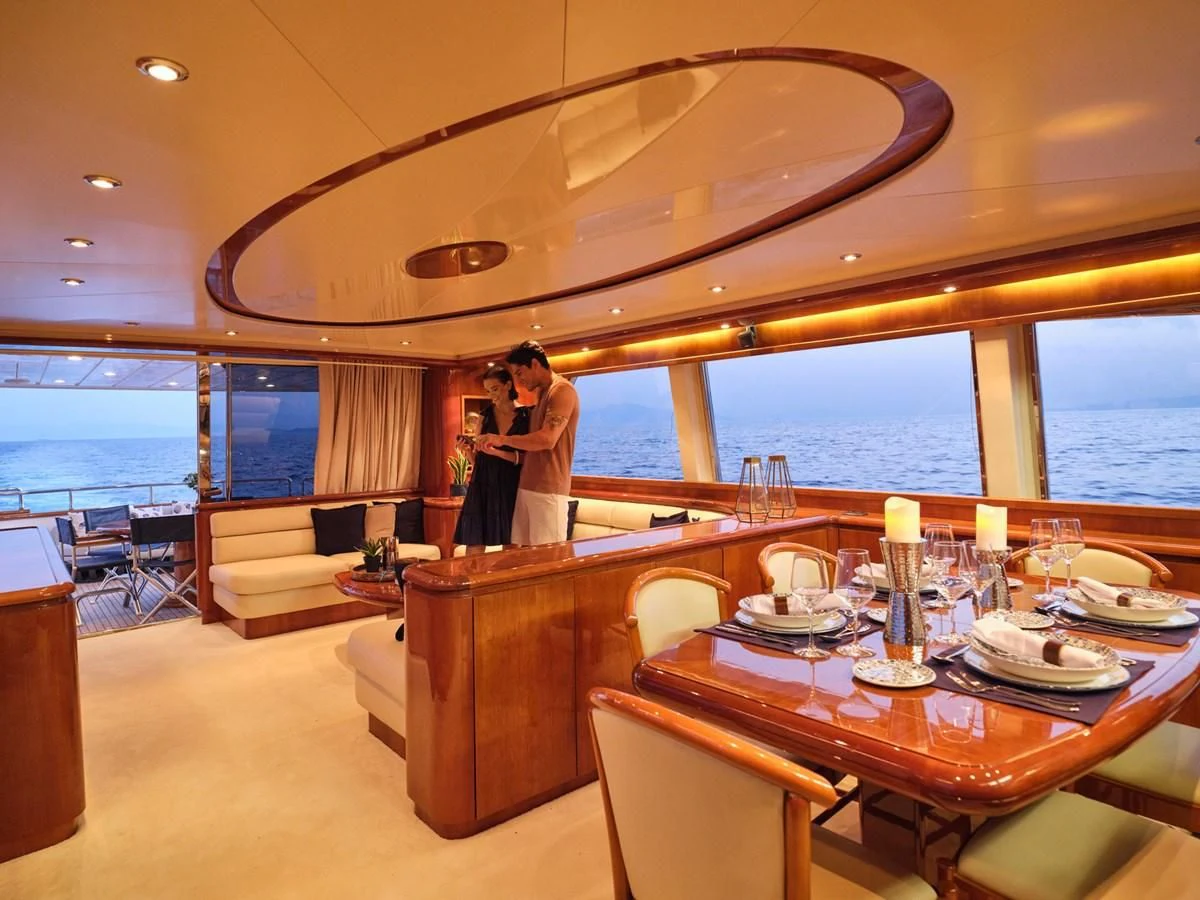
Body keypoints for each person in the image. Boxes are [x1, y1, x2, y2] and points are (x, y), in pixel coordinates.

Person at [476, 340, 579, 546]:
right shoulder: (541, 393)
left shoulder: (562, 391)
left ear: (534, 364)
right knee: (519, 558)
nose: (519, 381)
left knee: (547, 561)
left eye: (520, 373)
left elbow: (547, 439)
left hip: (549, 489)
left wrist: (501, 439)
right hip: (526, 486)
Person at [452, 367, 530, 551]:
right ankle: (472, 580)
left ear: (508, 385)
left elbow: (530, 459)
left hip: (512, 484)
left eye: (494, 389)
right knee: (475, 542)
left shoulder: (527, 416)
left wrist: (497, 452)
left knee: (511, 544)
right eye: (488, 391)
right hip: (483, 484)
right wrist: (468, 452)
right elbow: (478, 460)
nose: (491, 395)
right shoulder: (484, 416)